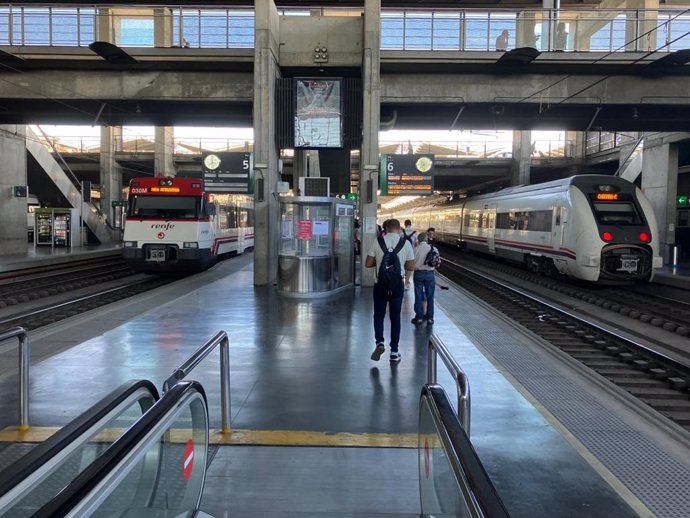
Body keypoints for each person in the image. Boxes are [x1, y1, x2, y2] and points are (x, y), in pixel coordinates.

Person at [365, 219, 415, 363]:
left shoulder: (378, 241)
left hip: (380, 284)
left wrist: (381, 262)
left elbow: (368, 263)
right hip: (396, 286)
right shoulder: (405, 243)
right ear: (399, 229)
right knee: (395, 318)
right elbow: (410, 267)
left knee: (379, 315)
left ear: (385, 229)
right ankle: (394, 351)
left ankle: (380, 342)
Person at [411, 232, 438, 326]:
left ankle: (419, 317)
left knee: (418, 295)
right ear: (427, 240)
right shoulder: (433, 249)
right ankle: (430, 318)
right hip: (430, 274)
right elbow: (438, 262)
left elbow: (411, 262)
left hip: (418, 274)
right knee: (430, 296)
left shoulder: (416, 249)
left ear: (418, 240)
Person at [402, 219, 418, 289]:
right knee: (409, 268)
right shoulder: (415, 233)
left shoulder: (401, 233)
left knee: (402, 266)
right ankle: (407, 282)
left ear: (405, 224)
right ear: (410, 224)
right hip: (411, 253)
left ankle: (402, 280)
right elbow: (416, 244)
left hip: (403, 252)